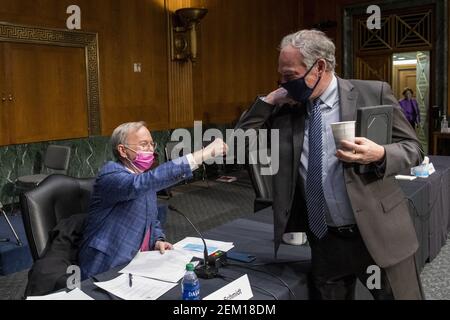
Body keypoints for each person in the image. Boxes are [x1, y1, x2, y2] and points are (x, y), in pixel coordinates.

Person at [235, 30, 424, 300]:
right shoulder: (287, 107)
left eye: (290, 76)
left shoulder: (373, 93)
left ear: (320, 66)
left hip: (377, 236)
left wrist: (380, 153)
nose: (284, 83)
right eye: (281, 76)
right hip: (325, 241)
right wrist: (269, 100)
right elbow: (239, 143)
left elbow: (413, 149)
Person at [78, 122, 228, 280]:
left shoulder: (142, 176)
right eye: (143, 144)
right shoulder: (110, 174)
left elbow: (151, 218)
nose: (150, 148)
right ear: (122, 150)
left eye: (151, 143)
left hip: (140, 263)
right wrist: (204, 154)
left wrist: (157, 240)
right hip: (107, 264)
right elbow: (140, 184)